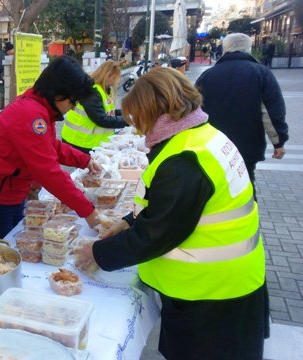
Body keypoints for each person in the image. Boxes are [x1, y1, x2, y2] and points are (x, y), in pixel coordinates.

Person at [75, 67, 268, 360]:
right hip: (222, 284)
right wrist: (128, 221)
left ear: (153, 112)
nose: (138, 129)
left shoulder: (186, 160)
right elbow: (172, 208)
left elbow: (156, 235)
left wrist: (98, 253)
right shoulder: (201, 135)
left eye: (138, 119)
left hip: (213, 293)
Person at [0, 56, 102, 238]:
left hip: (11, 194)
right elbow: (48, 172)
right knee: (1, 255)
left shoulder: (42, 109)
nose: (73, 107)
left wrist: (84, 159)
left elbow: (49, 146)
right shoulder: (30, 113)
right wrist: (88, 211)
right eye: (73, 101)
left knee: (14, 245)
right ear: (58, 93)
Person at [196, 33, 288, 184]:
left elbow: (194, 110)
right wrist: (278, 142)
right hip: (247, 146)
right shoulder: (262, 74)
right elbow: (271, 113)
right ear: (248, 49)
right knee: (244, 185)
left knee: (214, 184)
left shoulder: (208, 75)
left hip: (213, 144)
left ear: (224, 49)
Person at [62, 60, 128, 152]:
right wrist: (128, 120)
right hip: (80, 141)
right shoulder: (93, 92)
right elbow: (101, 119)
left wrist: (126, 113)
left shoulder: (103, 89)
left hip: (87, 141)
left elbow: (106, 111)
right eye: (114, 78)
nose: (115, 82)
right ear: (107, 76)